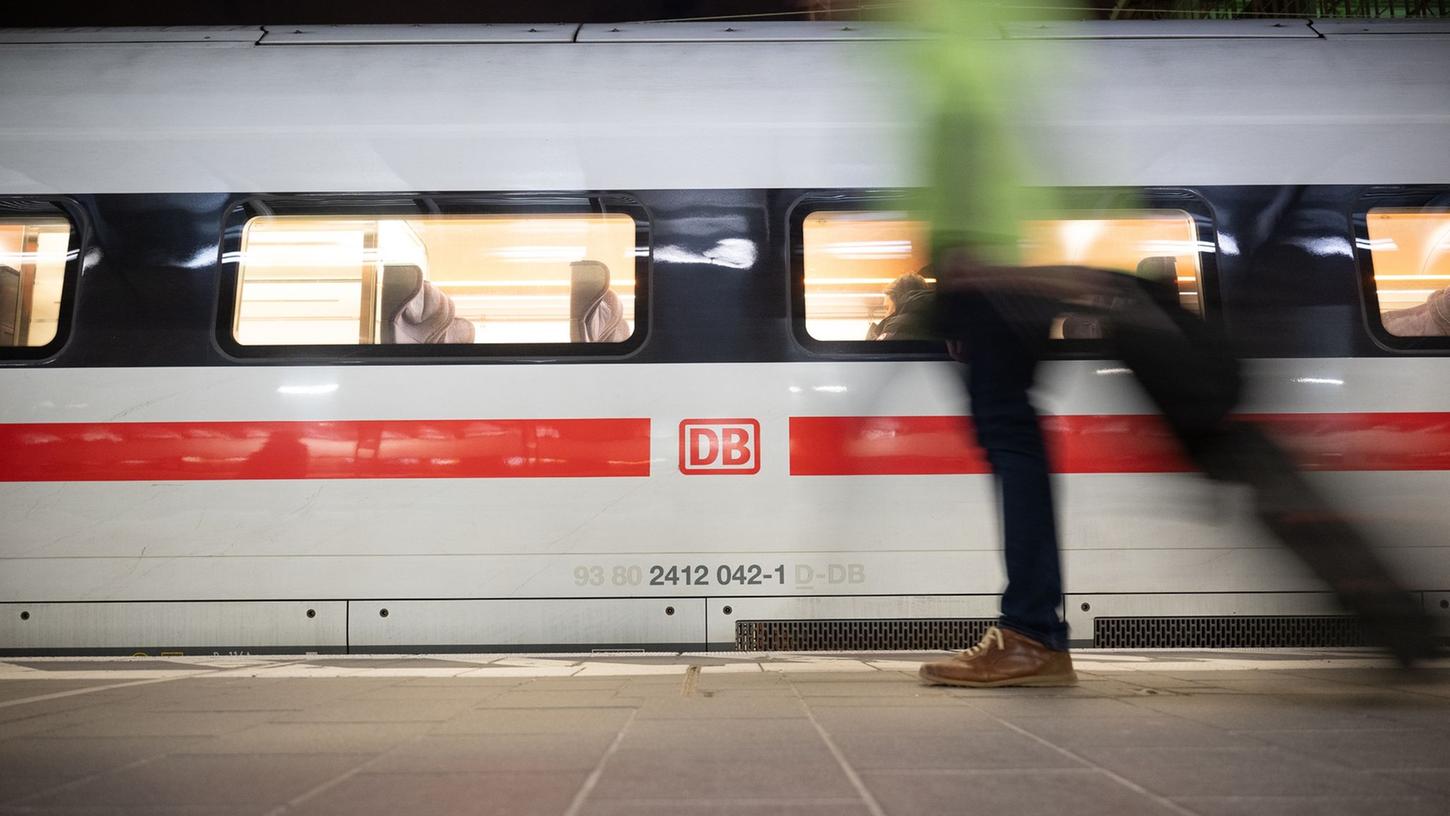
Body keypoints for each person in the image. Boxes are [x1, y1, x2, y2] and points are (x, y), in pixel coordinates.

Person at [905, 1, 1435, 687]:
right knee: (1248, 473)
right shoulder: (996, 57)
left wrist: (990, 274)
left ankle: (1033, 632)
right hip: (1167, 358)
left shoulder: (963, 60)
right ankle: (1034, 630)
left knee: (1021, 445)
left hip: (1038, 305)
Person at [866, 271, 936, 341]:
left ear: (898, 301)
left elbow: (878, 350)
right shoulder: (937, 320)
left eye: (887, 308)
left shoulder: (897, 327)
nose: (885, 315)